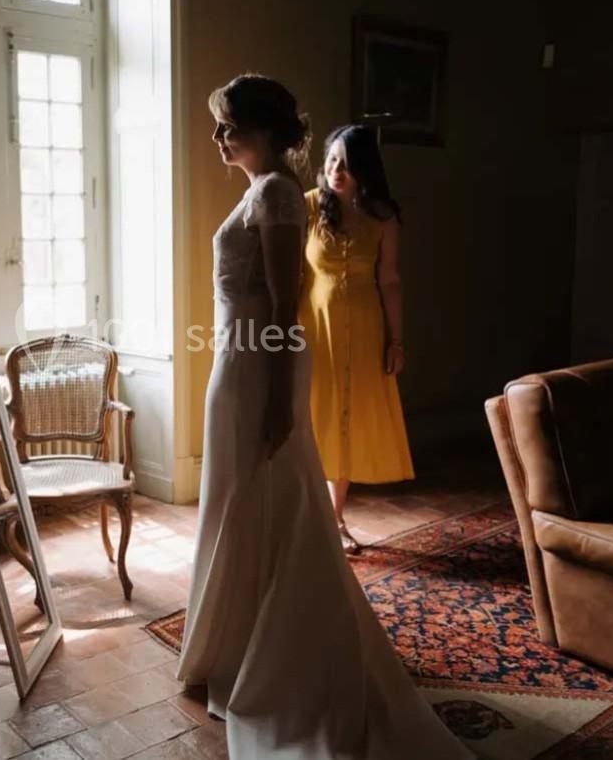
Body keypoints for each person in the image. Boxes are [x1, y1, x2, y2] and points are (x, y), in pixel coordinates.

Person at [175, 74, 471, 760]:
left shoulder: (278, 192)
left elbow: (283, 305)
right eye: (219, 125)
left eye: (231, 125)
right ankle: (240, 635)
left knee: (262, 498)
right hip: (241, 360)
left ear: (269, 132)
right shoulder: (266, 191)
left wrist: (279, 398)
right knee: (239, 503)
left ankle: (271, 650)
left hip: (259, 366)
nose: (220, 137)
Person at [300, 124, 414, 553]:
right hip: (312, 327)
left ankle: (335, 519)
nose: (336, 170)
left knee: (346, 417)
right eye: (331, 160)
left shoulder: (383, 217)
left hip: (364, 330)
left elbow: (390, 281)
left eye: (346, 164)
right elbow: (290, 273)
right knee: (312, 415)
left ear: (364, 168)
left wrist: (396, 341)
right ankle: (305, 518)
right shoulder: (308, 207)